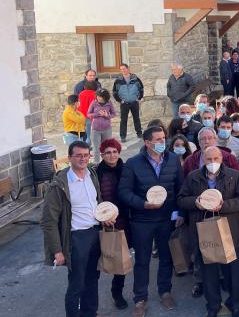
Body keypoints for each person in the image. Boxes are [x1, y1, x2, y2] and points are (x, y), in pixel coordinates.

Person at [42, 140, 114, 317]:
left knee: (92, 279)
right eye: (78, 155)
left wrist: (104, 217)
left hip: (95, 234)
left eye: (86, 155)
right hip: (76, 239)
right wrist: (57, 251)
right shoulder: (59, 184)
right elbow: (48, 221)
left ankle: (90, 313)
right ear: (69, 158)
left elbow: (96, 203)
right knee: (77, 284)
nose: (83, 159)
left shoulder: (92, 174)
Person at [118, 126, 184, 317]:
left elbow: (180, 188)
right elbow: (124, 192)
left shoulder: (173, 160)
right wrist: (143, 204)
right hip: (142, 220)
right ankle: (140, 299)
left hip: (166, 219)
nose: (163, 142)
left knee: (166, 257)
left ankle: (165, 292)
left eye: (164, 138)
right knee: (142, 260)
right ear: (147, 143)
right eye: (158, 139)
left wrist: (180, 212)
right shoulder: (133, 163)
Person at [176, 145, 239, 317]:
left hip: (229, 231)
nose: (212, 162)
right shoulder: (193, 177)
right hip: (203, 231)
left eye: (216, 159)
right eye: (209, 159)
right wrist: (196, 202)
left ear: (222, 159)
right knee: (209, 273)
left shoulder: (234, 175)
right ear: (203, 160)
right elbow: (181, 199)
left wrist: (224, 206)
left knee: (232, 272)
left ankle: (234, 303)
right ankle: (213, 305)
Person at [95, 138, 130, 310]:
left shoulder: (125, 169)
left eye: (115, 151)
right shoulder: (97, 173)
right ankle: (90, 301)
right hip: (103, 221)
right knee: (100, 259)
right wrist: (102, 216)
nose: (112, 155)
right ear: (102, 154)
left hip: (123, 220)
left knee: (119, 258)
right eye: (108, 152)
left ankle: (117, 293)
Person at [112, 63, 144, 142]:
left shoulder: (135, 78)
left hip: (134, 102)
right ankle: (123, 136)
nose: (123, 70)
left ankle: (139, 133)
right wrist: (120, 100)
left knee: (136, 118)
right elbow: (114, 92)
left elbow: (141, 88)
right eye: (121, 69)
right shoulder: (118, 80)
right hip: (124, 103)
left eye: (124, 69)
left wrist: (139, 98)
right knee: (123, 120)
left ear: (128, 69)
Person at [87, 88, 116, 163]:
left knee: (106, 148)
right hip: (95, 129)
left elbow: (114, 114)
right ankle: (96, 164)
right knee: (96, 149)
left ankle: (106, 163)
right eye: (97, 96)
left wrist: (107, 115)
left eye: (100, 96)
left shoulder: (109, 103)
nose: (98, 98)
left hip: (107, 129)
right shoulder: (94, 103)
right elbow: (88, 114)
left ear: (105, 97)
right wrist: (97, 114)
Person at [78, 80, 98, 145]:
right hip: (90, 115)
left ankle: (83, 145)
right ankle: (88, 146)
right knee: (89, 134)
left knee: (83, 131)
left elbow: (79, 104)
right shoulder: (94, 94)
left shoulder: (81, 93)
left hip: (81, 114)